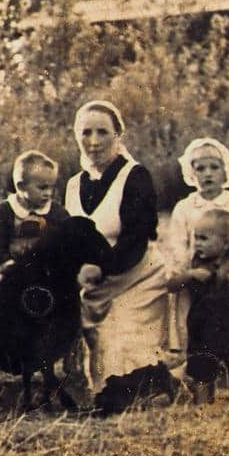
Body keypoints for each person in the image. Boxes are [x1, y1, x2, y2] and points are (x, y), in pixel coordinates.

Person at [64, 100, 174, 393]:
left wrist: (98, 268)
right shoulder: (74, 185)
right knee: (98, 370)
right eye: (86, 133)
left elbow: (136, 241)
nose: (94, 141)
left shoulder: (135, 177)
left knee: (119, 364)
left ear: (118, 136)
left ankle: (158, 379)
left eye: (103, 132)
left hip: (138, 279)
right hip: (95, 288)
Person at [167, 138, 229, 351]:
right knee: (199, 347)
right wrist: (188, 273)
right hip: (197, 285)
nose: (208, 174)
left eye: (214, 167)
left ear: (225, 171)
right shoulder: (184, 208)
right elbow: (178, 246)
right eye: (200, 168)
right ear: (191, 173)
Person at [166, 209, 229, 403]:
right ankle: (203, 406)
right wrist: (190, 276)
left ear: (225, 243)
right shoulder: (192, 263)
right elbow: (171, 285)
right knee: (202, 368)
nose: (197, 243)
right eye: (195, 238)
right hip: (203, 323)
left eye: (203, 238)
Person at [0, 150, 70, 367]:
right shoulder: (7, 210)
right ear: (21, 186)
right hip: (14, 267)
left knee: (70, 297)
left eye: (51, 187)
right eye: (42, 188)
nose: (48, 193)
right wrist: (7, 263)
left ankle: (69, 353)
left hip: (46, 269)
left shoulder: (56, 212)